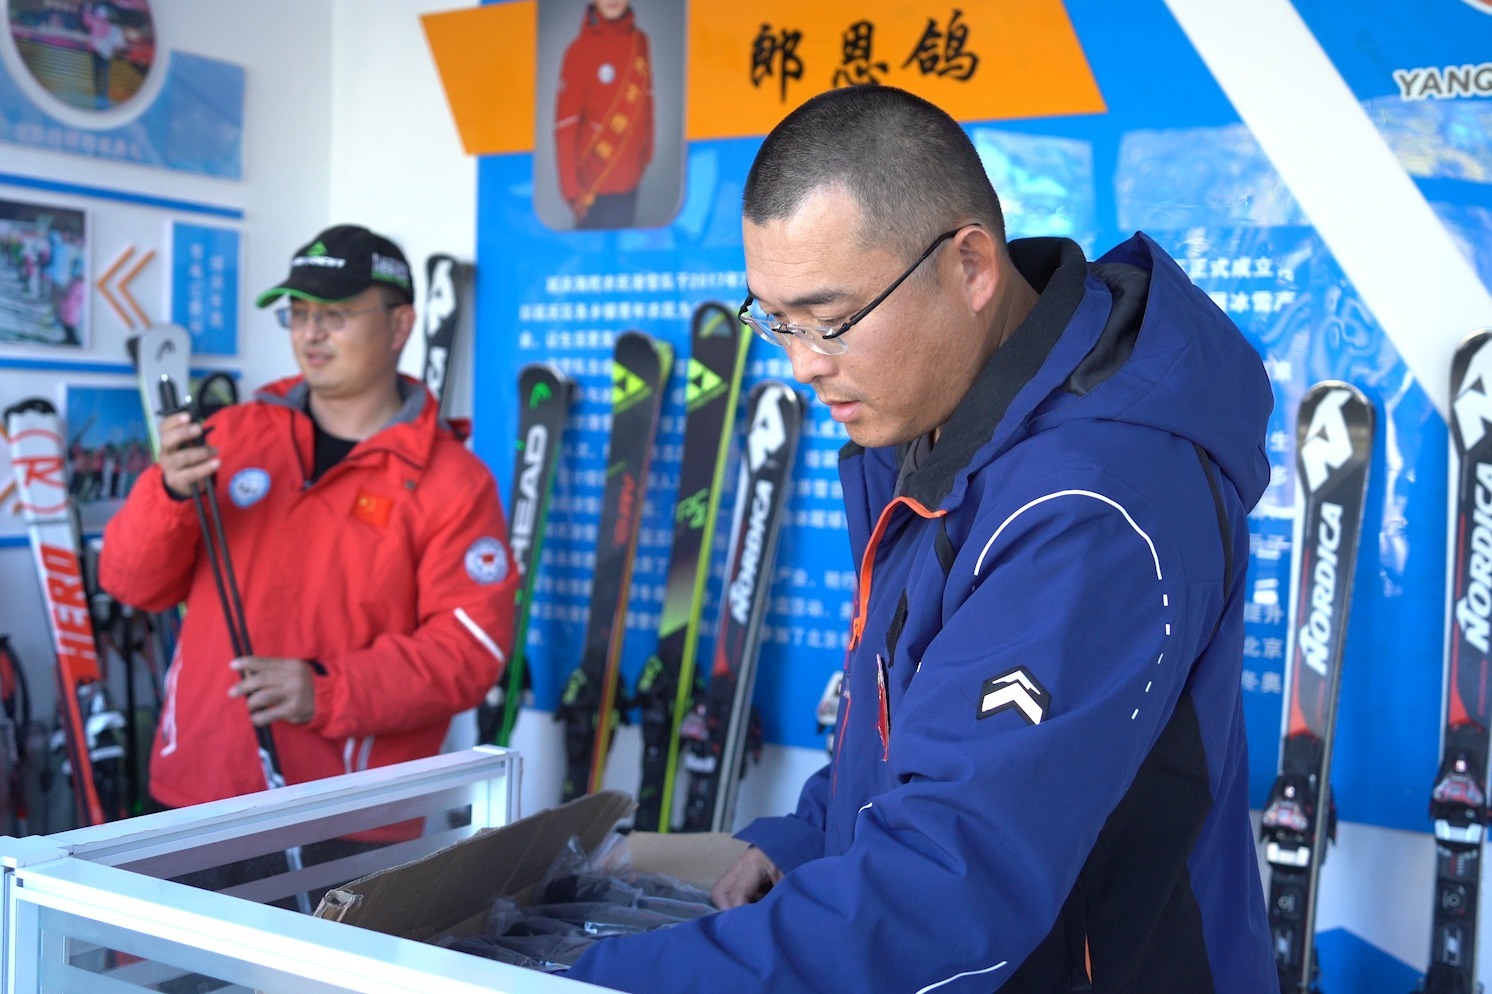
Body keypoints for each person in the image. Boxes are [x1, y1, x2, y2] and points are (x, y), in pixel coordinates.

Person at [564, 86, 1276, 992]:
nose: (804, 363)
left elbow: (948, 892)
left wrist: (585, 982)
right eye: (776, 320)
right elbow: (906, 727)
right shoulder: (930, 423)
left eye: (833, 319)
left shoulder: (1093, 503)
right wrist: (805, 837)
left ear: (971, 268)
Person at [100, 224, 516, 839]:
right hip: (195, 788)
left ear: (400, 326)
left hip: (344, 817)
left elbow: (469, 650)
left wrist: (328, 691)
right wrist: (167, 496)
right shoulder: (232, 435)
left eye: (337, 313)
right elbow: (133, 586)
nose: (311, 332)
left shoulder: (453, 480)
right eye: (298, 313)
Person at [553, 0, 654, 229]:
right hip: (593, 185)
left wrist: (647, 152)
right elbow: (565, 126)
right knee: (594, 262)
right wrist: (571, 192)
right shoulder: (578, 51)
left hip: (630, 182)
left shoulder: (640, 42)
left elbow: (647, 99)